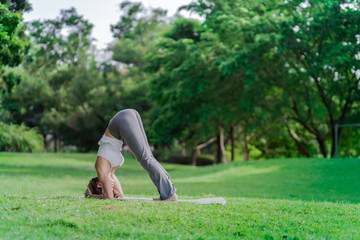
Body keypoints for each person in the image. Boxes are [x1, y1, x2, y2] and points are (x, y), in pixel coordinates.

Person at [85, 109, 177, 201]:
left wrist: (91, 195)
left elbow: (108, 197)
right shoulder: (110, 173)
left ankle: (169, 195)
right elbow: (121, 196)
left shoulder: (100, 168)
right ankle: (168, 192)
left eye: (106, 188)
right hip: (126, 117)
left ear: (100, 184)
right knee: (148, 158)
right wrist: (116, 194)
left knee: (145, 159)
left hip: (121, 120)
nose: (111, 188)